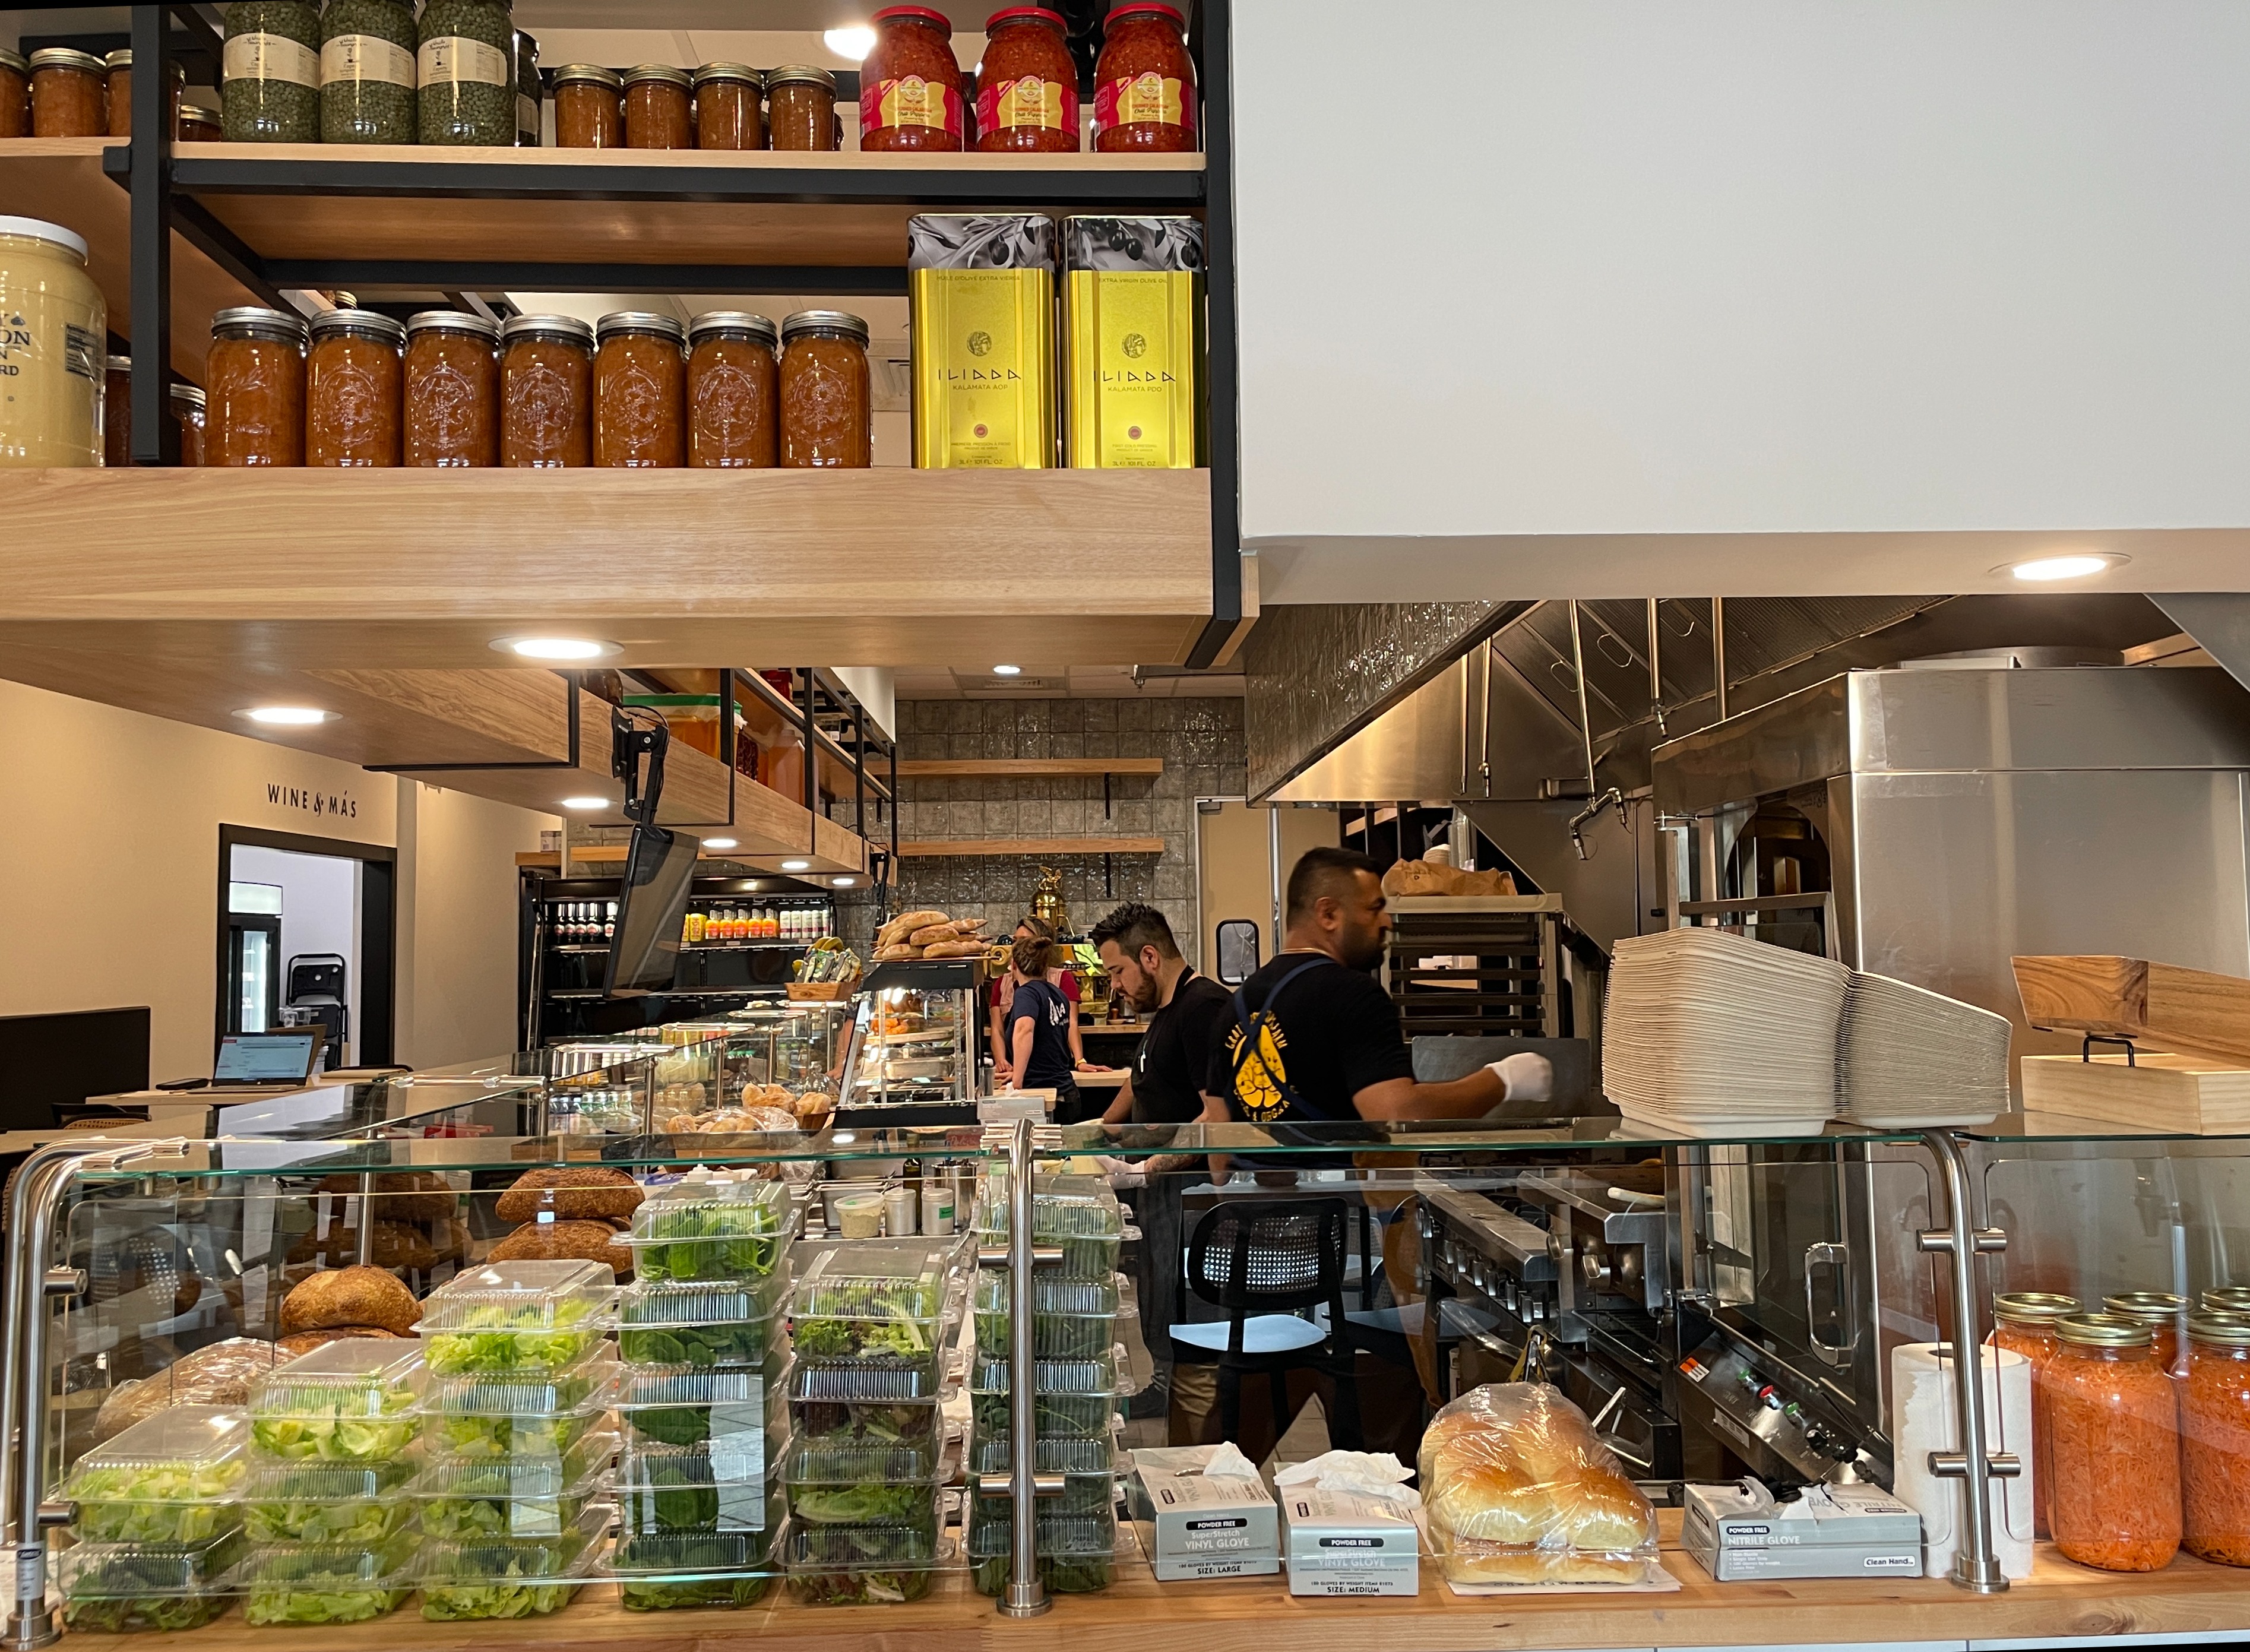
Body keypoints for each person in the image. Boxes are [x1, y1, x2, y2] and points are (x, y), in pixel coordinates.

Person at [1202, 845, 1551, 1133]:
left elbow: (1219, 1149)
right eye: (1374, 909)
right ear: (1328, 914)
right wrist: (1503, 1080)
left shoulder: (1233, 1006)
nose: (1386, 921)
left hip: (1246, 1210)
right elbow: (1396, 1109)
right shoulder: (1354, 995)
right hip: (1340, 1208)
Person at [1087, 901, 1233, 1417]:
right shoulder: (1167, 1012)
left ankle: (1186, 1401)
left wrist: (1147, 1168)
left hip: (1188, 1196)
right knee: (1155, 1304)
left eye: (1117, 972)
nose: (1117, 987)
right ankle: (1162, 1385)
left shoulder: (1202, 1009)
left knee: (1179, 1312)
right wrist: (1099, 1130)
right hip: (1158, 1192)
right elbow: (1142, 1077)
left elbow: (1214, 1116)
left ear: (1149, 956)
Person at [987, 916, 1091, 1083]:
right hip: (1020, 1072)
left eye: (1023, 941)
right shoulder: (1001, 984)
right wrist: (1002, 1062)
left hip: (1045, 1074)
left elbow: (1071, 1023)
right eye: (1014, 941)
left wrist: (1080, 1060)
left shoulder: (1059, 980)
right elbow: (997, 1029)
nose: (1015, 947)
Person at [1004, 929, 1086, 1122]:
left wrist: (1017, 1082)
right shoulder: (1058, 994)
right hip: (1067, 1094)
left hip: (1043, 1099)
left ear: (1014, 965)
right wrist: (1018, 1070)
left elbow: (1025, 1030)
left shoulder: (1026, 993)